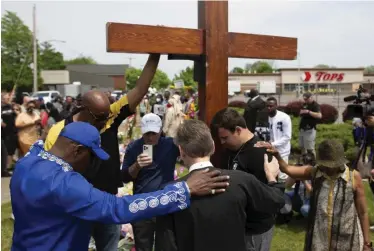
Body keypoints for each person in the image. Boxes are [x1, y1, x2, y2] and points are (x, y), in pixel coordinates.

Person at [10, 122, 230, 251]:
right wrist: (183, 190)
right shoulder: (64, 183)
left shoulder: (28, 163)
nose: (93, 164)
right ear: (77, 150)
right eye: (92, 156)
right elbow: (116, 208)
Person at [44, 54, 163, 251]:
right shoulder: (59, 131)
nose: (105, 122)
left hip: (107, 201)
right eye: (100, 118)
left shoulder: (107, 116)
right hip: (77, 204)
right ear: (84, 110)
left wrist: (154, 56)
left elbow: (140, 90)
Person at [155, 119, 286, 251]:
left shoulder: (171, 192)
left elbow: (166, 243)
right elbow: (275, 201)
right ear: (213, 146)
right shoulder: (241, 181)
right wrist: (271, 178)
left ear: (181, 151)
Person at [255, 139, 372, 251]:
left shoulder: (353, 177)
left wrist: (367, 244)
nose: (329, 168)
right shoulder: (315, 172)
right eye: (326, 165)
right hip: (321, 237)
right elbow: (287, 169)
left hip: (347, 236)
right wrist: (277, 154)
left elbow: (363, 212)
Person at [210, 108, 279, 251]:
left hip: (254, 229)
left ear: (238, 130)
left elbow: (268, 198)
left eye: (225, 138)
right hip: (235, 225)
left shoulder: (260, 153)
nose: (222, 143)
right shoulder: (232, 149)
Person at [121, 113, 180, 251]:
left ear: (160, 130)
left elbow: (191, 151)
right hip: (142, 205)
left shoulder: (170, 145)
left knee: (167, 246)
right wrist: (137, 165)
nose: (150, 137)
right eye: (147, 133)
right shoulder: (134, 147)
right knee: (143, 246)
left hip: (165, 203)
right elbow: (124, 177)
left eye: (154, 133)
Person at [266, 97, 292, 182]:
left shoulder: (284, 117)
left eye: (271, 106)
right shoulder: (265, 117)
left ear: (276, 106)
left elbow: (287, 136)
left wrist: (273, 144)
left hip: (282, 152)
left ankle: (282, 194)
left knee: (282, 176)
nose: (269, 108)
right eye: (267, 106)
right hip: (270, 151)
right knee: (271, 175)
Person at [299, 92, 322, 156]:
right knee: (302, 147)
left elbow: (319, 116)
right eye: (304, 99)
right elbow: (301, 113)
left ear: (311, 97)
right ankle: (304, 161)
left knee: (310, 148)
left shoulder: (315, 105)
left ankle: (313, 163)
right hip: (302, 128)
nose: (305, 100)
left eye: (307, 99)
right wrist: (301, 112)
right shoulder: (304, 104)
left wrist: (308, 112)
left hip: (310, 129)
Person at [2, 93, 18, 175]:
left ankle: (9, 166)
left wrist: (15, 109)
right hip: (4, 133)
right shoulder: (1, 108)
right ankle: (6, 168)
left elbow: (18, 116)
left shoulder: (12, 107)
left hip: (13, 132)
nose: (8, 99)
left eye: (9, 98)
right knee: (7, 151)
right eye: (6, 98)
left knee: (11, 151)